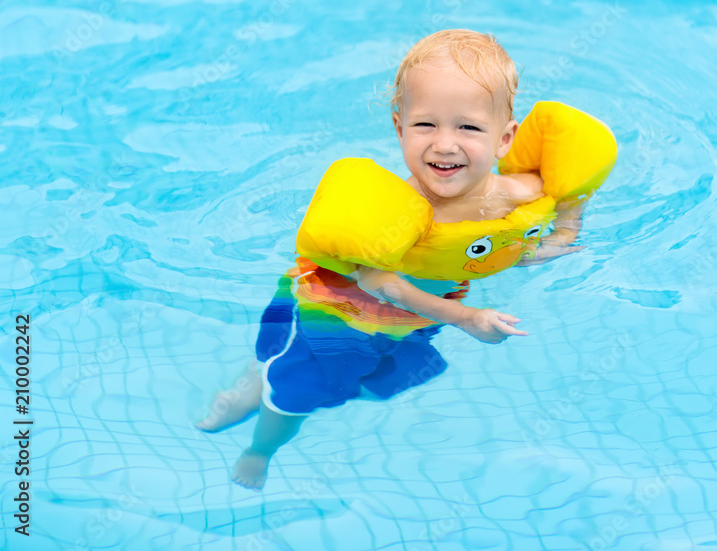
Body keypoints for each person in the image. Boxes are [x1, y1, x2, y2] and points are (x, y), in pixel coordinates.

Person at [197, 29, 609, 490]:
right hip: (332, 309)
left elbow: (565, 192)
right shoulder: (398, 214)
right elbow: (380, 283)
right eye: (425, 125)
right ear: (399, 128)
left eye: (468, 127)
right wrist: (466, 317)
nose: (445, 144)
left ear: (505, 138)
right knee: (301, 389)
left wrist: (560, 235)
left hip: (415, 318)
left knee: (378, 379)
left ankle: (265, 379)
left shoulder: (516, 195)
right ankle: (261, 440)